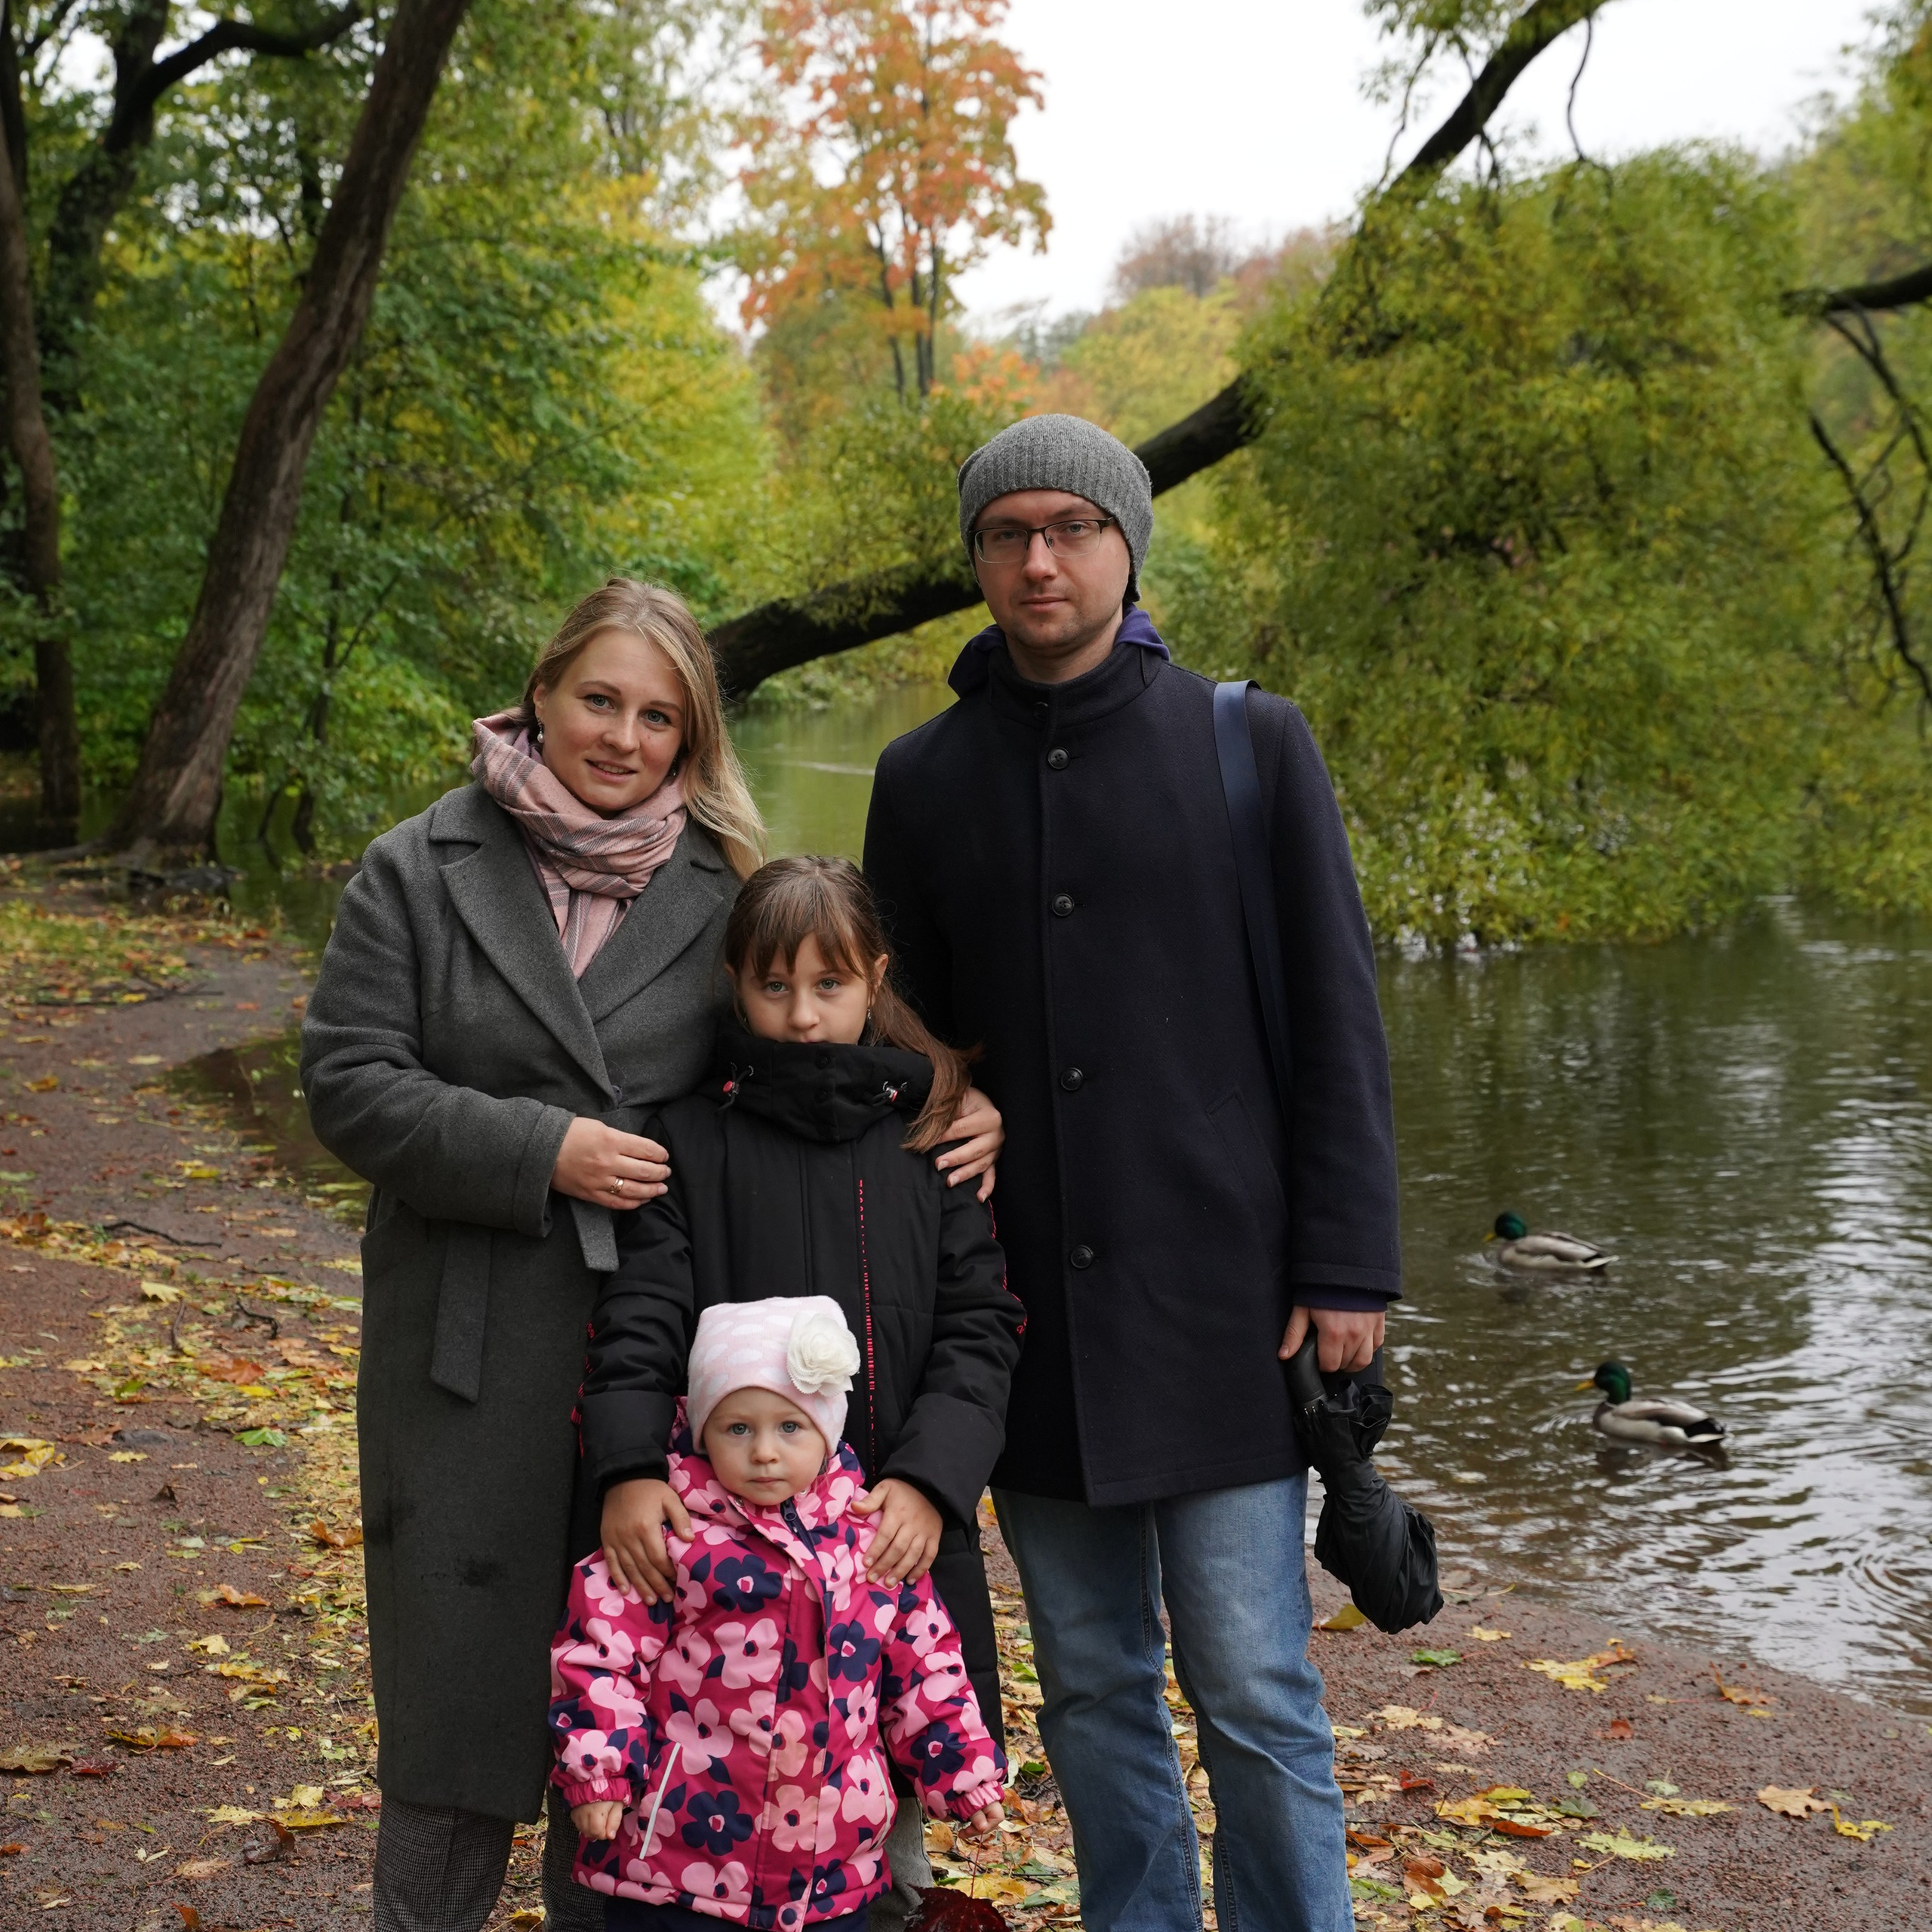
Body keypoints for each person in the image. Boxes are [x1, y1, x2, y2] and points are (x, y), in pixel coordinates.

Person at [300, 580, 1004, 1932]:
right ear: (543, 693)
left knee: (646, 1729)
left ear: (693, 741)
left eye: (659, 717)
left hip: (682, 1377)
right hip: (474, 1358)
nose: (622, 737)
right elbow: (346, 1082)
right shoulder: (418, 864)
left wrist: (964, 1102)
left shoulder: (720, 887)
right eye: (599, 701)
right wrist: (537, 1150)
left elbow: (852, 1032)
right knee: (457, 1735)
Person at [862, 415, 1403, 1932]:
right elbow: (895, 1024)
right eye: (1005, 533)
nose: (1038, 557)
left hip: (1232, 1303)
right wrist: (935, 1083)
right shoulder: (921, 777)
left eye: (1070, 528)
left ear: (1124, 545)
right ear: (976, 560)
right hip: (1021, 1310)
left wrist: (1346, 1260)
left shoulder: (1249, 741)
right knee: (1093, 1683)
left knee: (1251, 1681)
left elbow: (1335, 1017)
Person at [577, 855, 1026, 1931]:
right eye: (776, 987)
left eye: (830, 986)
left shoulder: (930, 1140)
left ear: (874, 980)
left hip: (882, 1542)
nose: (804, 1014)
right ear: (736, 983)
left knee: (888, 1814)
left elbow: (981, 1328)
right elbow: (641, 1319)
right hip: (723, 1556)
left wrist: (928, 1483)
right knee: (707, 1810)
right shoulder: (689, 1140)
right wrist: (632, 1468)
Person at [550, 1297, 1006, 1931]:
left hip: (831, 1871)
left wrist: (961, 1773)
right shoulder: (671, 1535)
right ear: (702, 1428)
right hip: (677, 1862)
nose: (764, 1452)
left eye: (790, 1427)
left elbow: (927, 1668)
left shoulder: (868, 1542)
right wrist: (599, 1775)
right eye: (738, 1428)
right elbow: (601, 1656)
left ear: (827, 1429)